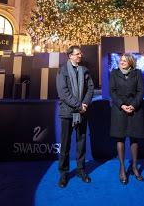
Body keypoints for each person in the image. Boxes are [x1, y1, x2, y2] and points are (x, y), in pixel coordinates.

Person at [56, 45, 94, 188]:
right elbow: (63, 92)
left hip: (82, 112)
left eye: (80, 54)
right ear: (70, 56)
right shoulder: (62, 70)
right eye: (77, 54)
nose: (80, 56)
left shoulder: (84, 70)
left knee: (81, 142)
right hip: (67, 112)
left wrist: (84, 104)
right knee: (65, 144)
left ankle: (80, 170)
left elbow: (90, 88)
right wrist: (79, 106)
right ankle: (63, 173)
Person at [109, 53, 144, 185]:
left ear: (130, 62)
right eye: (121, 60)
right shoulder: (114, 73)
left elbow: (141, 91)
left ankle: (135, 167)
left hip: (134, 109)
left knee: (134, 138)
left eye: (125, 60)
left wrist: (133, 105)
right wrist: (122, 105)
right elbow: (112, 92)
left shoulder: (137, 73)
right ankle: (122, 168)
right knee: (120, 138)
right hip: (119, 109)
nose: (122, 62)